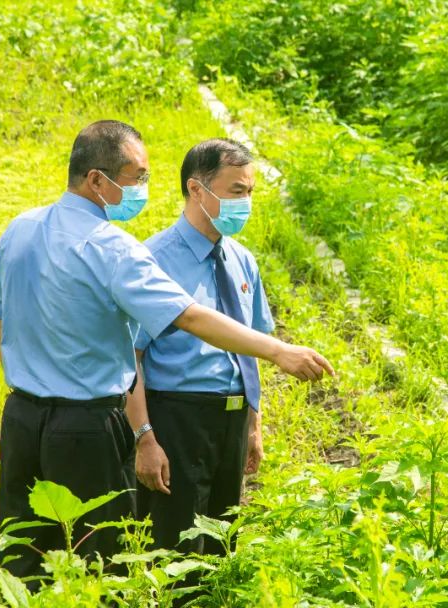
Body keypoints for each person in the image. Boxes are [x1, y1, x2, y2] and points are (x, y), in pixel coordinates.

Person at [0, 121, 333, 597]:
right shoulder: (114, 248)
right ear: (96, 180)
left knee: (21, 554)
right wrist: (278, 351)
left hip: (22, 417)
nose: (143, 190)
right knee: (101, 562)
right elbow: (188, 317)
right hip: (87, 425)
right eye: (136, 178)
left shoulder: (19, 230)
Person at [128, 138, 273, 595]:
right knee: (176, 552)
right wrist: (144, 437)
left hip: (230, 420)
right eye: (235, 191)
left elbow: (250, 348)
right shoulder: (152, 260)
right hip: (177, 417)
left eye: (249, 192)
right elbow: (130, 356)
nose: (244, 203)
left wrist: (253, 422)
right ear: (197, 189)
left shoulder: (242, 260)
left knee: (222, 544)